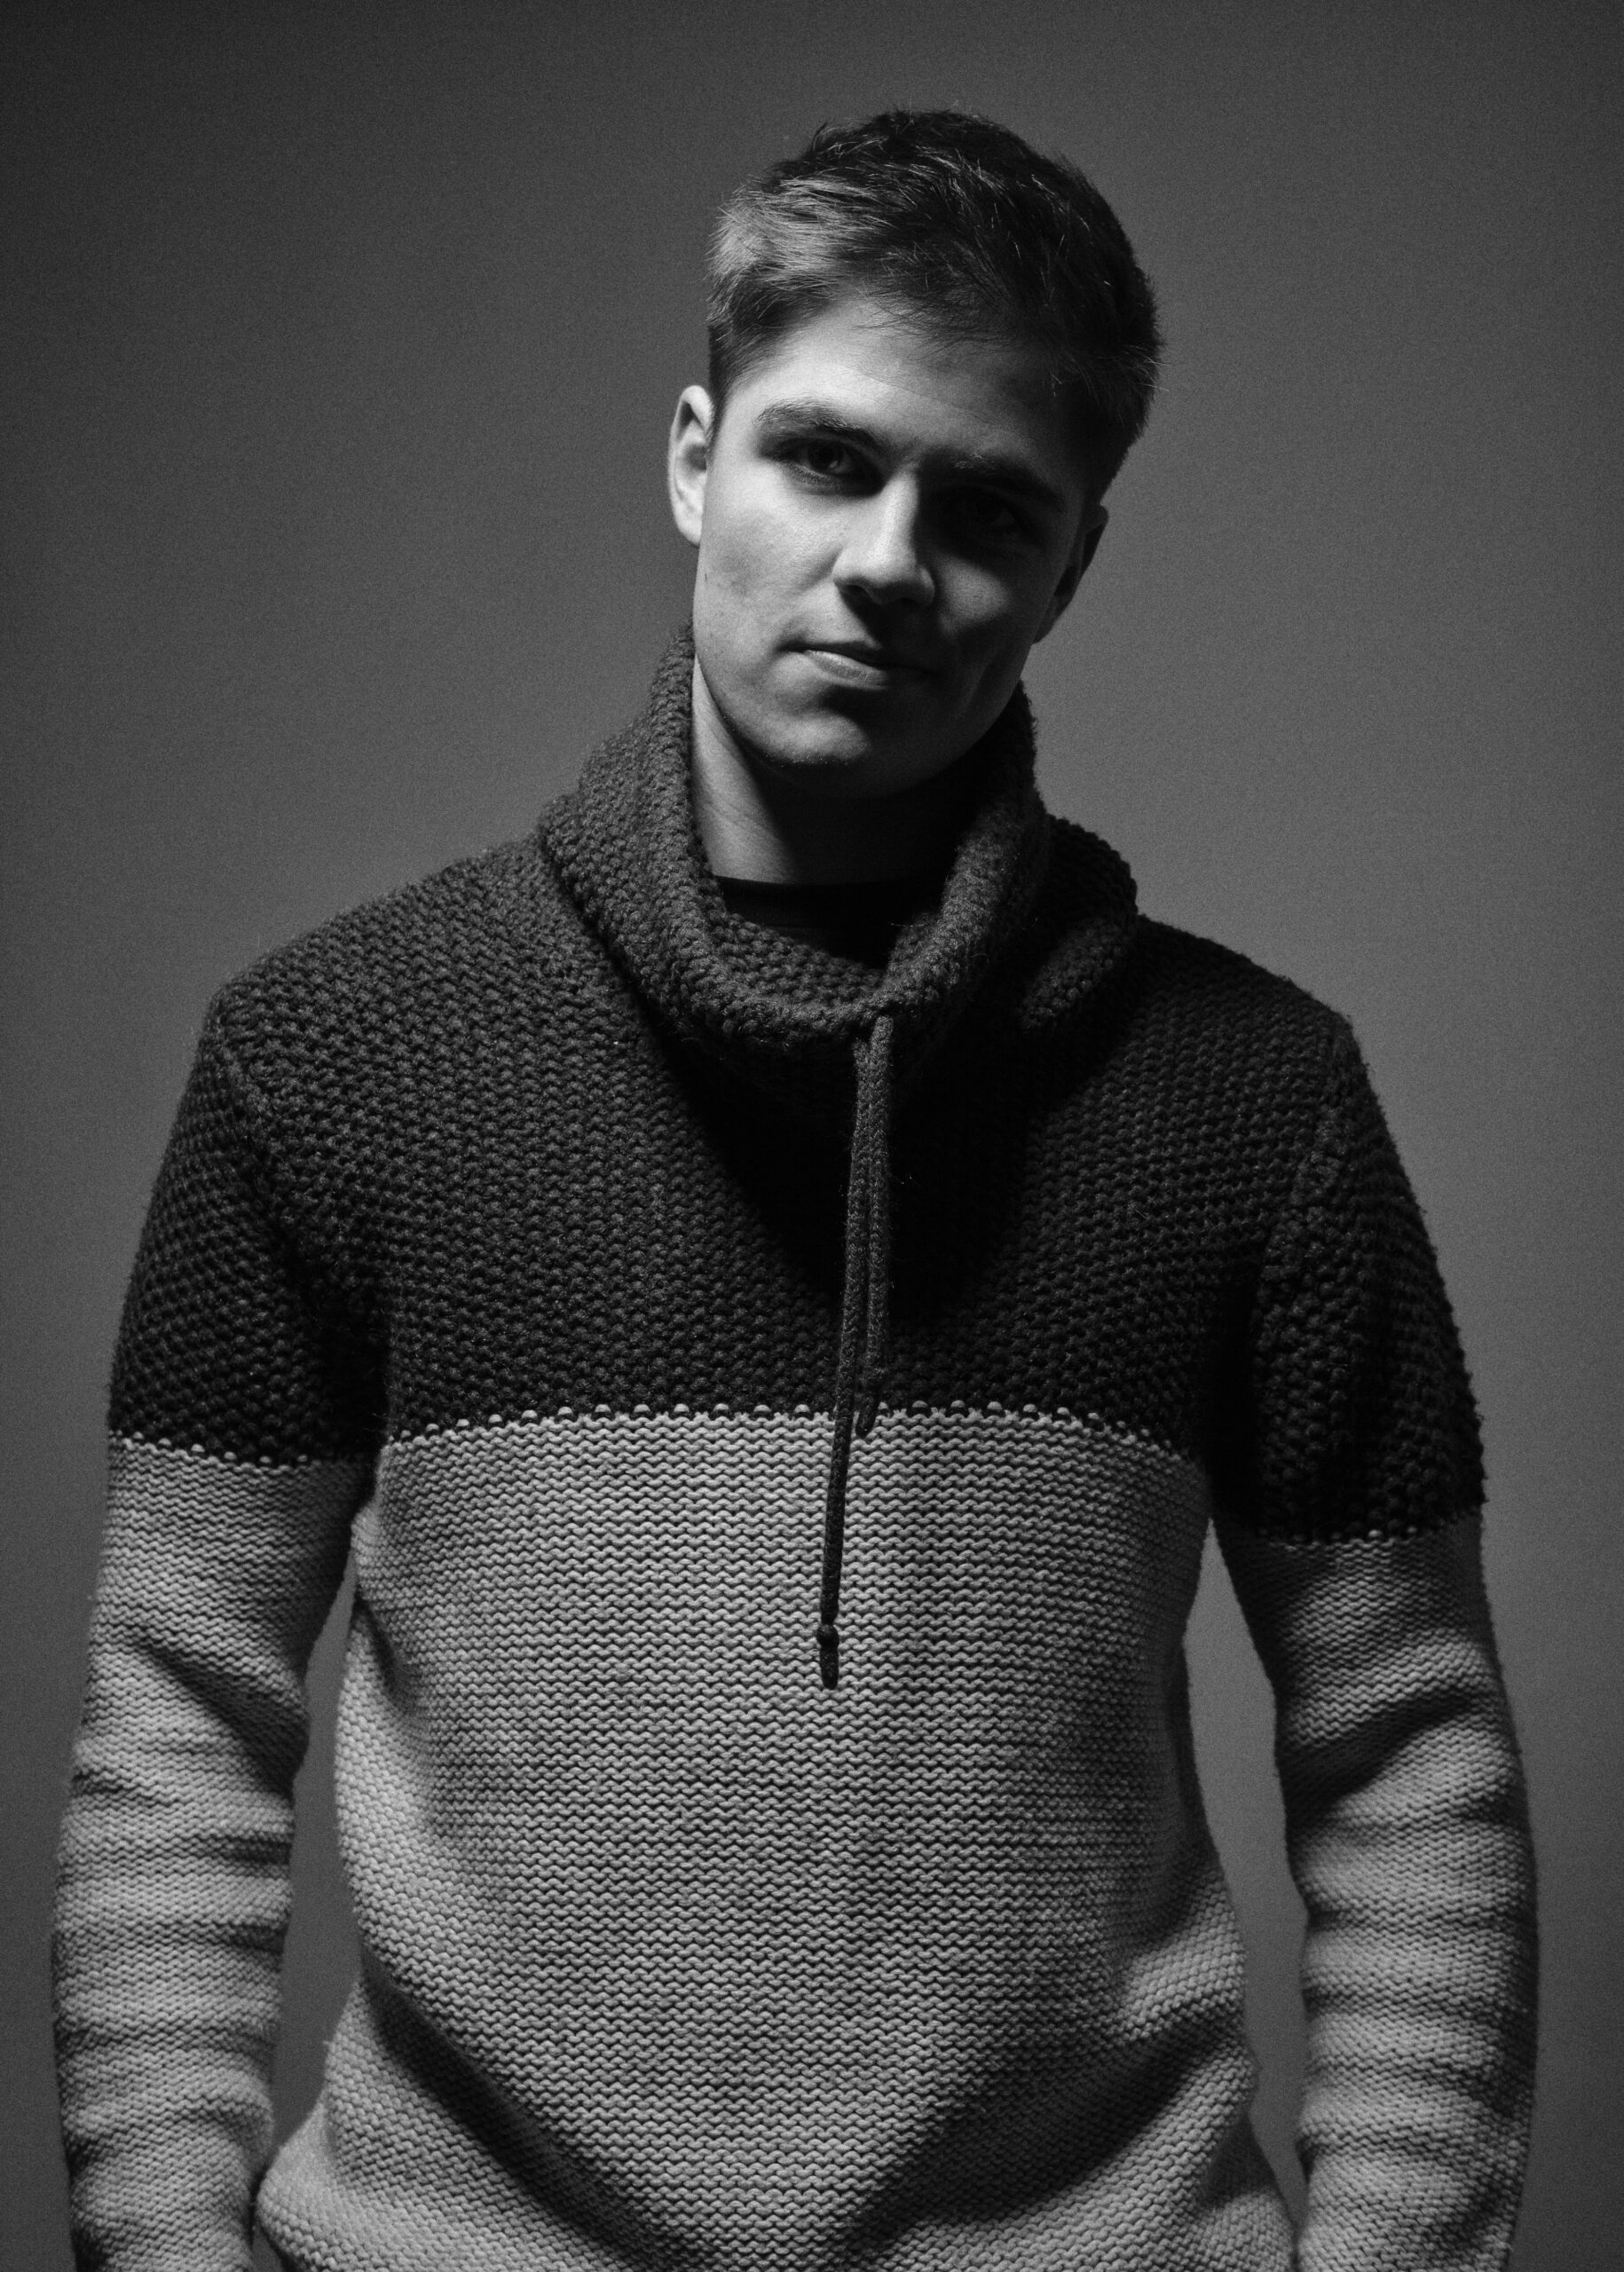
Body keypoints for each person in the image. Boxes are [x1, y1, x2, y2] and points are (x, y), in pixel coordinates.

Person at [54, 108, 1537, 2272]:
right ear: (695, 457)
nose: (888, 561)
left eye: (988, 506)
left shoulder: (1256, 1100)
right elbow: (177, 1729)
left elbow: (1414, 1763)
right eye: (826, 458)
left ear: (1073, 566)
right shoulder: (334, 1054)